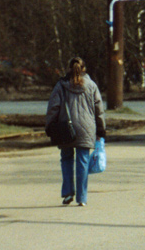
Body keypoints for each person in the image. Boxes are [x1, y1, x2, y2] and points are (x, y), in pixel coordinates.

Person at [45, 57, 106, 207]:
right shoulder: (91, 86)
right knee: (83, 162)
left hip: (65, 128)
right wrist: (101, 130)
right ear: (84, 69)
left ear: (69, 68)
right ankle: (82, 198)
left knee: (66, 159)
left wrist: (49, 126)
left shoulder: (61, 85)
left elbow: (53, 107)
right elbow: (99, 110)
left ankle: (67, 194)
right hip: (86, 128)